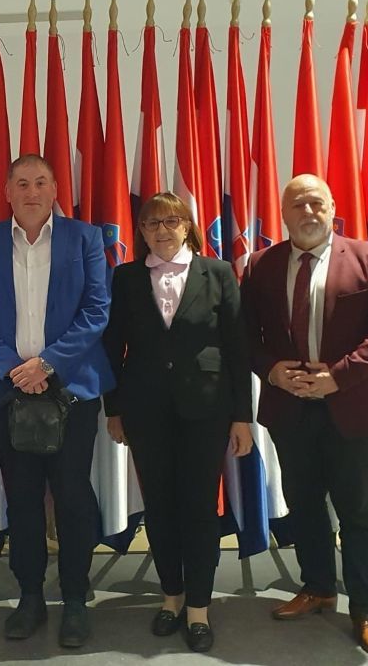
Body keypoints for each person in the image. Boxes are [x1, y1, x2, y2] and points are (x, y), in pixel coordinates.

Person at [241, 174, 368, 661]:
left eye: (316, 203)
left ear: (332, 208)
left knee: (357, 512)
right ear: (283, 213)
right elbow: (244, 333)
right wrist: (272, 370)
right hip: (290, 408)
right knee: (305, 505)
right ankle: (317, 587)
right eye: (297, 204)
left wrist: (338, 376)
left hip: (352, 406)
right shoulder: (261, 265)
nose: (308, 212)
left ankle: (367, 609)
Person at [0, 153, 113, 649]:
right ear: (6, 192)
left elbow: (97, 310)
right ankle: (29, 596)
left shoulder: (84, 239)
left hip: (71, 390)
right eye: (21, 183)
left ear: (54, 189)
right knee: (23, 500)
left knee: (72, 496)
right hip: (9, 390)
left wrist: (46, 364)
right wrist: (13, 367)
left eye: (40, 182)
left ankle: (75, 599)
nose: (31, 192)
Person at [103, 192, 253, 653]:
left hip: (206, 411)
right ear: (142, 232)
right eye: (152, 223)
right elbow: (112, 346)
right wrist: (113, 409)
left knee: (199, 508)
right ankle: (171, 596)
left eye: (171, 221)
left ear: (187, 226)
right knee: (160, 507)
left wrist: (242, 417)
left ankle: (199, 607)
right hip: (145, 411)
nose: (162, 230)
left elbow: (237, 348)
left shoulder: (218, 273)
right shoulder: (126, 277)